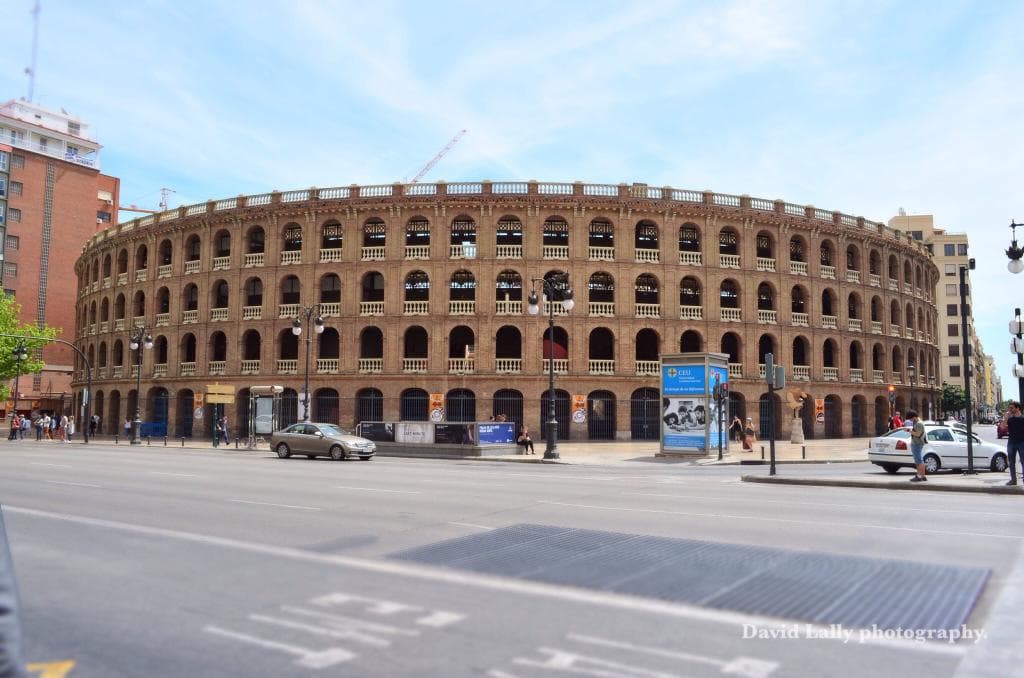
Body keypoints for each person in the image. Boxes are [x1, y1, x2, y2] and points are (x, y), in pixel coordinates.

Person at [1004, 401, 1024, 486]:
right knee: (1011, 462)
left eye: (1011, 408)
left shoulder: (1023, 419)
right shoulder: (1010, 419)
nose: (1010, 409)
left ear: (1017, 408)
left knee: (1023, 462)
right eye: (1009, 408)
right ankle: (1013, 480)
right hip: (1011, 442)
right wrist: (1006, 418)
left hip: (1022, 443)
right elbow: (1002, 427)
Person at [907, 410, 927, 482]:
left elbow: (918, 434)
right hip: (917, 443)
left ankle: (919, 476)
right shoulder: (918, 422)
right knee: (919, 460)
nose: (910, 420)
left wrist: (910, 431)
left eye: (911, 418)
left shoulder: (919, 424)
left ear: (914, 417)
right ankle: (923, 476)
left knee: (918, 460)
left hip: (917, 443)